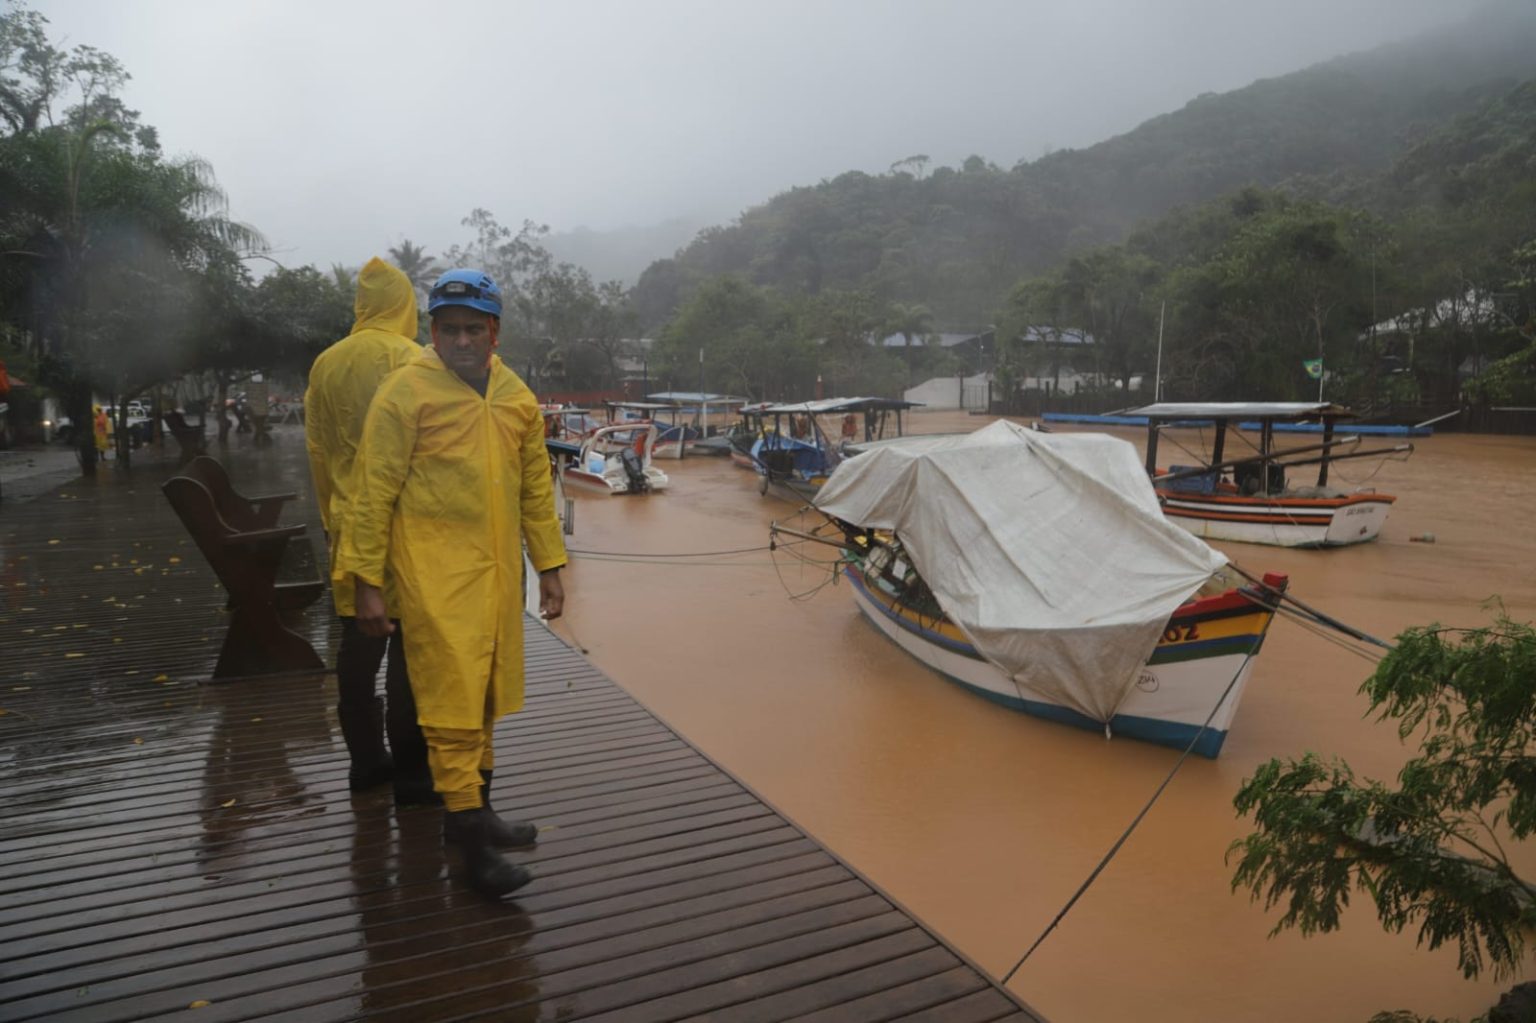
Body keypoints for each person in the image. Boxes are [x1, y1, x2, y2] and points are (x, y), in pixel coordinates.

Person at [335, 268, 568, 898]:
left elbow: (534, 489)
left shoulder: (515, 396)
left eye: (473, 329)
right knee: (450, 706)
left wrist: (548, 565)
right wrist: (367, 583)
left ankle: (478, 812)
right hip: (433, 575)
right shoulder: (404, 393)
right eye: (448, 329)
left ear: (495, 332)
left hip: (495, 575)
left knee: (486, 694)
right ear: (430, 331)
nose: (461, 341)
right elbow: (370, 492)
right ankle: (469, 845)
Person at [304, 257, 435, 804]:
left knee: (358, 648)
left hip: (349, 524)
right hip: (409, 528)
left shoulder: (326, 365)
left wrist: (334, 518)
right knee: (408, 650)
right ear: (405, 304)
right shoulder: (418, 360)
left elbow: (319, 451)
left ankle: (364, 762)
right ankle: (411, 772)